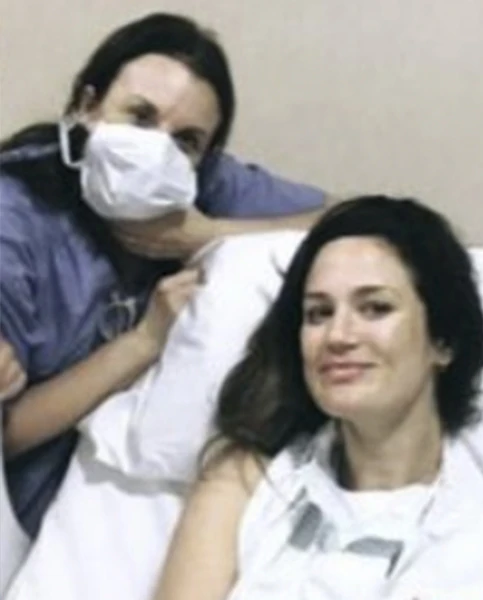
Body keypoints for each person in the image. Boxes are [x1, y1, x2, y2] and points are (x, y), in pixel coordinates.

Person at [155, 196, 483, 600]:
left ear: (444, 340)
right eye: (318, 313)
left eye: (375, 308)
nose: (338, 335)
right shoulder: (249, 483)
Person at [0, 12, 333, 538]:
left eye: (186, 141)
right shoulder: (15, 222)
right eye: (139, 117)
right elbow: (8, 435)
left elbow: (355, 221)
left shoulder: (203, 185)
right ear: (88, 107)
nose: (158, 148)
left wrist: (210, 235)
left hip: (124, 498)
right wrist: (144, 342)